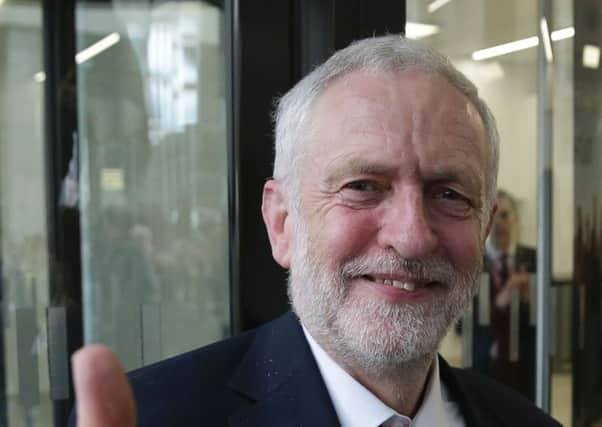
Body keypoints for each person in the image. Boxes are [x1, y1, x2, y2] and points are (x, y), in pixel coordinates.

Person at [70, 35, 561, 427]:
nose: (412, 237)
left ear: (485, 228)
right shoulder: (154, 417)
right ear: (281, 222)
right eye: (363, 185)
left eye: (449, 194)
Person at [472, 190, 536, 400]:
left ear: (515, 220)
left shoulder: (532, 259)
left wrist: (528, 299)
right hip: (485, 366)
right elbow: (463, 328)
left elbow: (540, 324)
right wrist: (503, 298)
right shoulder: (473, 261)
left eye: (505, 215)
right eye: (494, 215)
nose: (499, 222)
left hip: (523, 364)